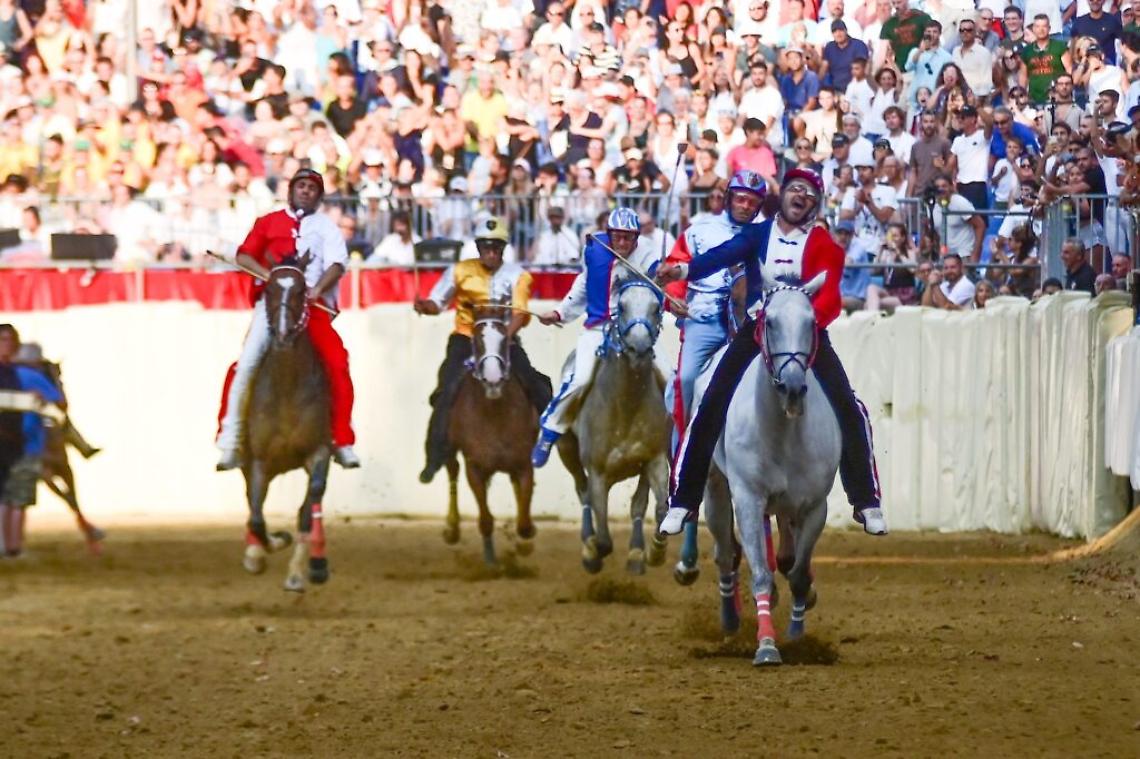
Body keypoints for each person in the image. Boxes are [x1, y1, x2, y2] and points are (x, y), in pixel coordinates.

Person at [655, 168, 887, 536]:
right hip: (757, 329)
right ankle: (683, 500)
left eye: (809, 193)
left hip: (805, 334)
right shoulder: (756, 234)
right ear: (784, 197)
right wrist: (682, 269)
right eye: (795, 189)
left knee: (849, 405)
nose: (801, 196)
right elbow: (720, 256)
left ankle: (866, 499)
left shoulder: (825, 243)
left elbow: (829, 296)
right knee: (711, 401)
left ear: (814, 204)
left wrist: (809, 324)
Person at [215, 168, 360, 471]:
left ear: (319, 196)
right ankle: (230, 439)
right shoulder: (268, 221)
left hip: (312, 309)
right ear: (292, 190)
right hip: (271, 307)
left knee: (337, 363)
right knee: (246, 363)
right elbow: (244, 256)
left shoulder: (327, 227)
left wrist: (316, 291)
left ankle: (342, 440)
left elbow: (337, 263)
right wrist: (272, 280)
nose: (306, 191)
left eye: (312, 188)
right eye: (301, 185)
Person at [413, 216, 553, 483]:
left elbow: (521, 315)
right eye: (486, 247)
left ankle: (552, 438)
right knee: (446, 391)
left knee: (536, 384)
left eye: (496, 247)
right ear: (478, 248)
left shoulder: (518, 275)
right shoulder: (459, 270)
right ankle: (435, 456)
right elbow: (437, 302)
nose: (491, 252)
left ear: (503, 248)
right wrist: (424, 307)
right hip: (466, 339)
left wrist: (502, 338)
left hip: (506, 340)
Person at [530, 208, 662, 466]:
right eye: (617, 237)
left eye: (628, 238)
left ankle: (676, 440)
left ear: (637, 237)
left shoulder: (648, 253)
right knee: (579, 379)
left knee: (669, 377)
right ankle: (550, 429)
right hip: (599, 327)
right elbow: (583, 285)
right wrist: (559, 313)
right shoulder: (596, 250)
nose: (622, 243)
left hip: (636, 329)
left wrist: (673, 297)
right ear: (610, 234)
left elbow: (661, 284)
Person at [663, 170, 767, 450]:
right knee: (685, 379)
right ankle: (681, 450)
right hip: (705, 318)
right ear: (729, 198)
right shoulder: (699, 231)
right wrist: (673, 298)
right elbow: (675, 267)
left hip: (750, 323)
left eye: (752, 202)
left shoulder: (766, 235)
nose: (745, 206)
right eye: (741, 199)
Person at [0, 324, 63, 557]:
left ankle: (11, 547)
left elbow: (57, 405)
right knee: (13, 498)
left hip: (23, 444)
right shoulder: (29, 375)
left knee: (15, 498)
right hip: (18, 444)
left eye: (9, 340)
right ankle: (11, 547)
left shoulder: (29, 375)